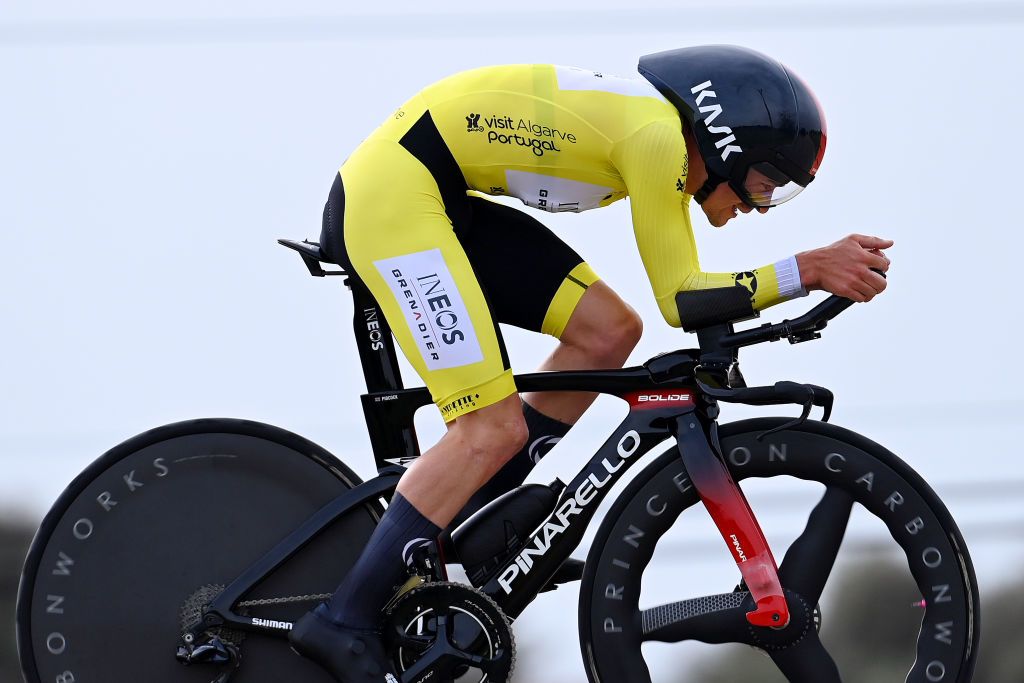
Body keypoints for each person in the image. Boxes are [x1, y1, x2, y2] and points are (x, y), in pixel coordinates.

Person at [288, 44, 891, 682]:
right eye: (767, 184)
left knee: (609, 333)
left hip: (435, 193)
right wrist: (808, 270)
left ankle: (463, 527)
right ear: (725, 148)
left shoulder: (658, 137)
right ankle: (342, 622)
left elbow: (678, 300)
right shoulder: (659, 141)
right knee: (488, 430)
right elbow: (683, 298)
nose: (761, 205)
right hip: (395, 197)